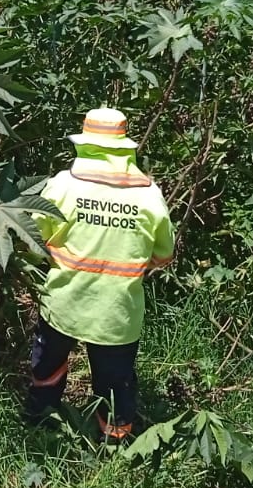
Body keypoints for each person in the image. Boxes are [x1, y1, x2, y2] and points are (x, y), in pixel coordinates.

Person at [27, 108, 175, 444]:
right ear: (125, 147)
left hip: (63, 302)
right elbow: (164, 255)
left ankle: (39, 424)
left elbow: (35, 235)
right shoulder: (149, 194)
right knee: (115, 384)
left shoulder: (63, 185)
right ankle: (115, 444)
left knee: (48, 368)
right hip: (117, 314)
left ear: (84, 143)